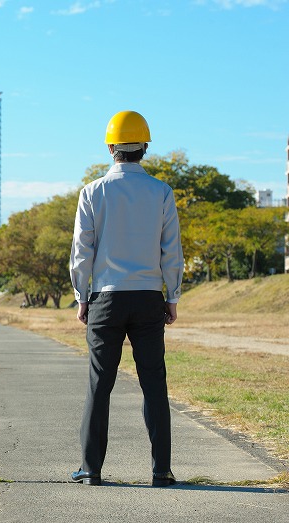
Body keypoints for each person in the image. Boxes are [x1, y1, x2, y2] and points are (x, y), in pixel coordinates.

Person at [69, 110, 184, 487]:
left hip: (106, 298)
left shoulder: (92, 192)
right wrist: (173, 296)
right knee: (154, 382)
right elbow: (171, 251)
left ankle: (91, 469)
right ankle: (161, 470)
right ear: (145, 147)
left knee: (99, 384)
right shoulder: (162, 192)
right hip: (149, 297)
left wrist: (81, 296)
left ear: (110, 147)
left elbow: (82, 252)